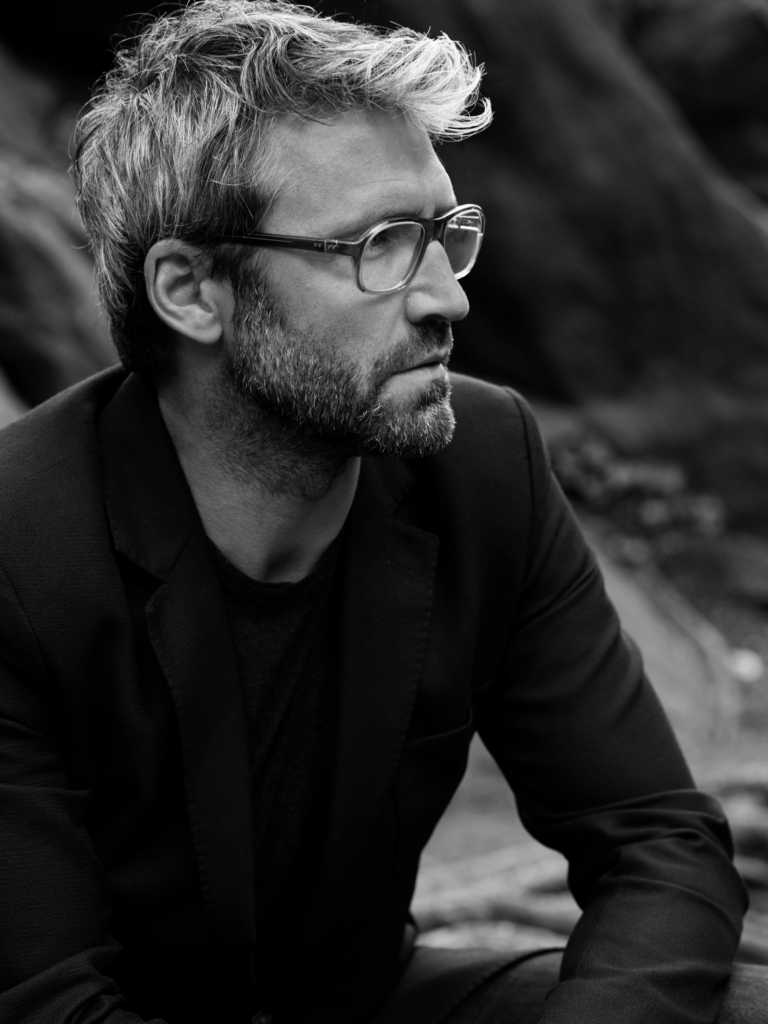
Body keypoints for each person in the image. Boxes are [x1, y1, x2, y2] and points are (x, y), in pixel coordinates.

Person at [0, 2, 757, 1022]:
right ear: (190, 291)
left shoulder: (484, 461)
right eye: (382, 243)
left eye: (445, 234)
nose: (448, 298)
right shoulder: (19, 548)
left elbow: (657, 840)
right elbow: (47, 1001)